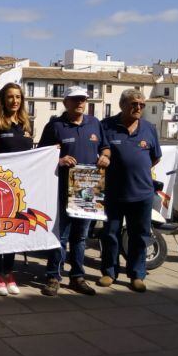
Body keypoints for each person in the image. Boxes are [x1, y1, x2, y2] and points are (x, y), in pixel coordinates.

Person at [38, 86, 111, 297]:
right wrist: (59, 160)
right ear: (65, 103)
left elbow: (105, 148)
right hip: (62, 190)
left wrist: (106, 156)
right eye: (76, 99)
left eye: (83, 99)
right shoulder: (55, 126)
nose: (80, 102)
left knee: (80, 238)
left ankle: (78, 277)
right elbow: (42, 155)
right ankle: (53, 276)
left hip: (89, 190)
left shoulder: (95, 124)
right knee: (60, 235)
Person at [99, 89, 161, 293]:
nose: (138, 108)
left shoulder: (149, 129)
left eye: (141, 105)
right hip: (113, 193)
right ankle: (109, 272)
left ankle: (137, 275)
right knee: (110, 234)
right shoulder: (106, 126)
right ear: (122, 105)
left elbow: (155, 157)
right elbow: (100, 151)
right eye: (134, 104)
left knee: (139, 236)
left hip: (142, 193)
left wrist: (137, 169)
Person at [0, 83, 33, 297]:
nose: (15, 101)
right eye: (10, 97)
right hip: (0, 187)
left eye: (18, 97)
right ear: (3, 100)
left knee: (14, 230)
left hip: (21, 188)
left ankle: (9, 273)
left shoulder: (26, 124)